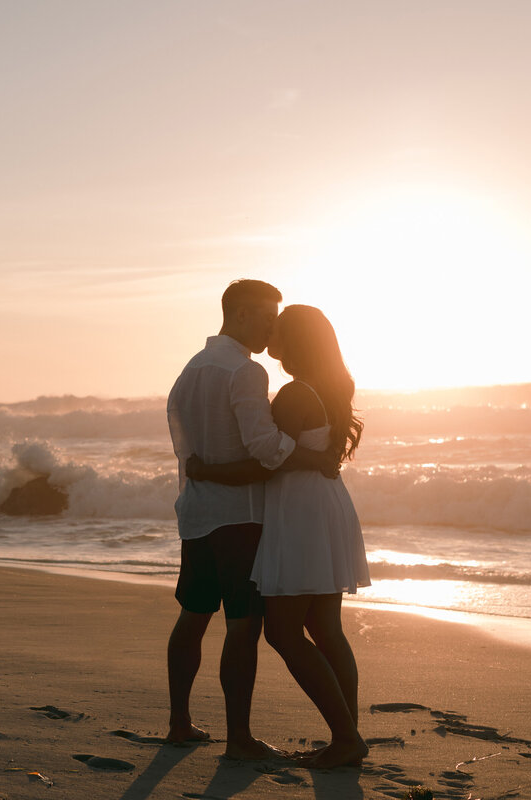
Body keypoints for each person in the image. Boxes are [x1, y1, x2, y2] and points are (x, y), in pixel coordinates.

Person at [188, 304, 370, 768]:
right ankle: (347, 734)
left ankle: (347, 738)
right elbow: (292, 456)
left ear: (297, 341)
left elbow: (268, 459)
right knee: (326, 629)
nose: (271, 332)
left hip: (302, 513)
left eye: (280, 328)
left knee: (284, 633)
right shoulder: (328, 387)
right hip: (326, 504)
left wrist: (204, 469)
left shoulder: (293, 394)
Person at [165, 280, 336, 759]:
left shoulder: (190, 370)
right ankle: (238, 738)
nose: (271, 325)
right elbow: (264, 449)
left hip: (197, 512)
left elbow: (185, 447)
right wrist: (307, 457)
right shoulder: (246, 370)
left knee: (193, 616)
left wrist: (202, 474)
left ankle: (180, 722)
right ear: (240, 314)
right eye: (264, 315)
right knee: (243, 625)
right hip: (242, 516)